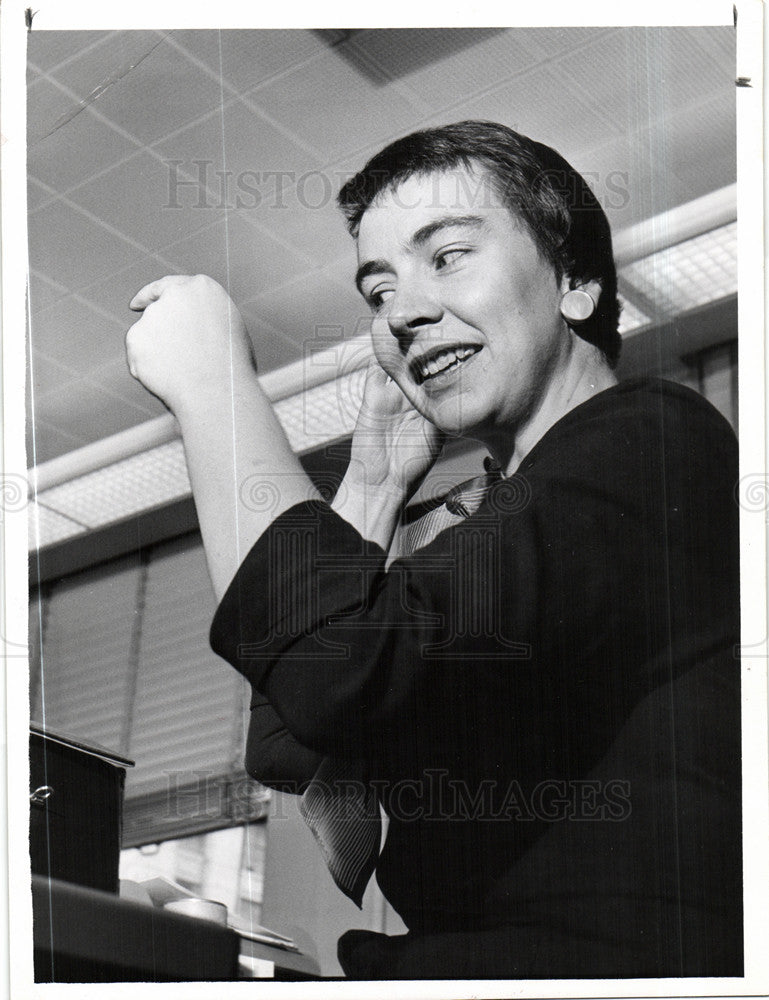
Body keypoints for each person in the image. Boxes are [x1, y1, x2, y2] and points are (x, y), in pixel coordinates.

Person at [126, 121, 742, 979]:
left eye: (446, 256)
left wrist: (214, 390)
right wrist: (373, 484)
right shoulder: (503, 514)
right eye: (377, 292)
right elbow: (290, 739)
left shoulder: (651, 441)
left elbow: (331, 676)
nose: (402, 311)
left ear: (574, 280)